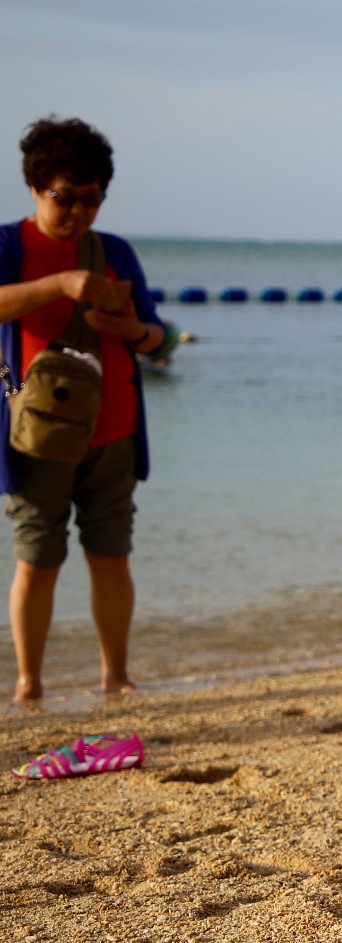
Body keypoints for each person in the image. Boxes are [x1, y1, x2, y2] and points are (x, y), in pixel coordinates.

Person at [0, 117, 170, 702]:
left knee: (111, 555)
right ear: (34, 186)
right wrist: (62, 283)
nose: (78, 212)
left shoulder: (115, 252)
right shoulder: (10, 245)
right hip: (37, 436)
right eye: (64, 198)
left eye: (91, 199)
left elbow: (160, 340)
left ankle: (116, 677)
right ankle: (28, 684)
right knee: (36, 558)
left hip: (114, 431)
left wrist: (132, 329)